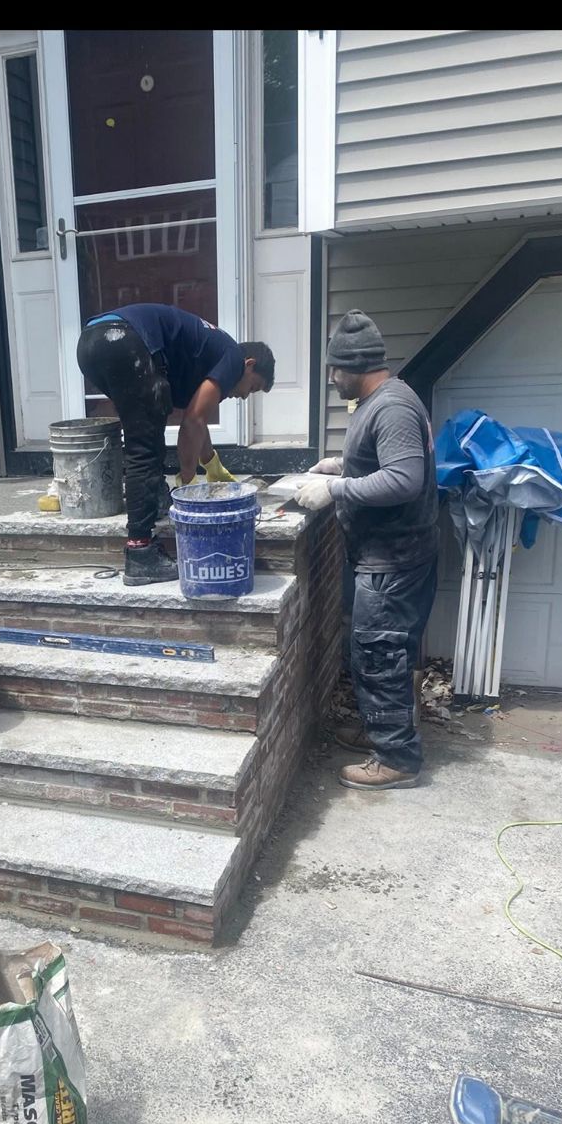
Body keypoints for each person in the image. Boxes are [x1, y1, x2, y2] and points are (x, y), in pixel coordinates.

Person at [294, 309, 439, 791]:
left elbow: (403, 479)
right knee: (384, 653)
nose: (332, 379)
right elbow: (386, 462)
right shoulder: (383, 401)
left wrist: (337, 490)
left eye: (334, 370)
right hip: (392, 556)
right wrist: (344, 466)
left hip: (392, 562)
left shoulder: (391, 407)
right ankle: (383, 731)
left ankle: (396, 757)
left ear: (352, 366)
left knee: (380, 656)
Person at [76, 303, 275, 584]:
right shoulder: (232, 358)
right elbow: (191, 423)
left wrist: (212, 464)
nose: (244, 396)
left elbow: (198, 421)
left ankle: (155, 496)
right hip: (124, 339)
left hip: (93, 341)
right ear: (249, 364)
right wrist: (188, 483)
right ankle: (141, 552)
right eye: (252, 387)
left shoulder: (212, 356)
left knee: (149, 423)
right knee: (143, 447)